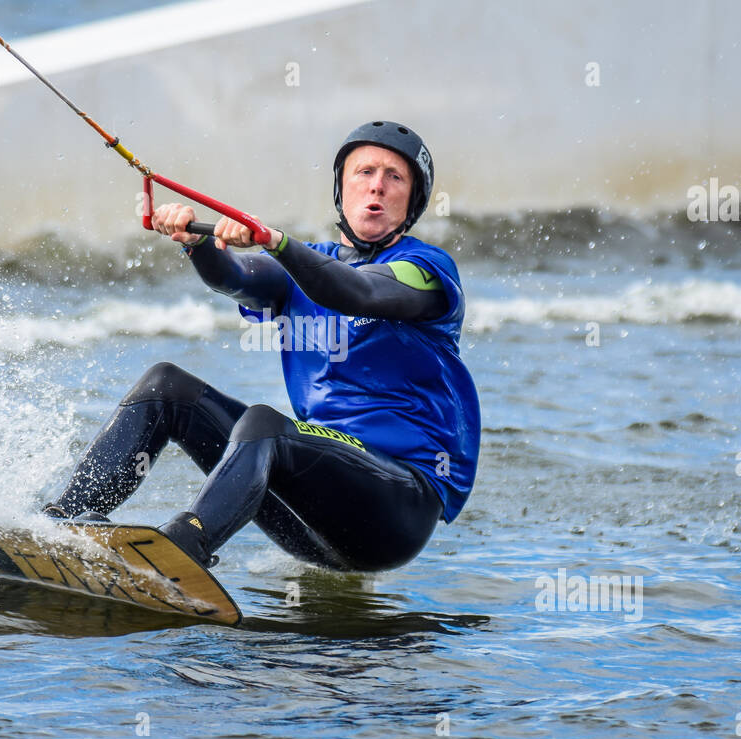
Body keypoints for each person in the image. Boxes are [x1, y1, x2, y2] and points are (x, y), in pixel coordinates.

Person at [44, 120, 480, 571]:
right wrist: (199, 244)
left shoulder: (426, 269)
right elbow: (235, 277)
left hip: (397, 508)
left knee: (264, 424)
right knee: (165, 387)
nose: (378, 186)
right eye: (364, 172)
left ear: (412, 200)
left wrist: (278, 243)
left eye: (395, 177)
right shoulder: (309, 263)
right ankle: (58, 526)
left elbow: (357, 292)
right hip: (312, 515)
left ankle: (180, 554)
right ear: (341, 188)